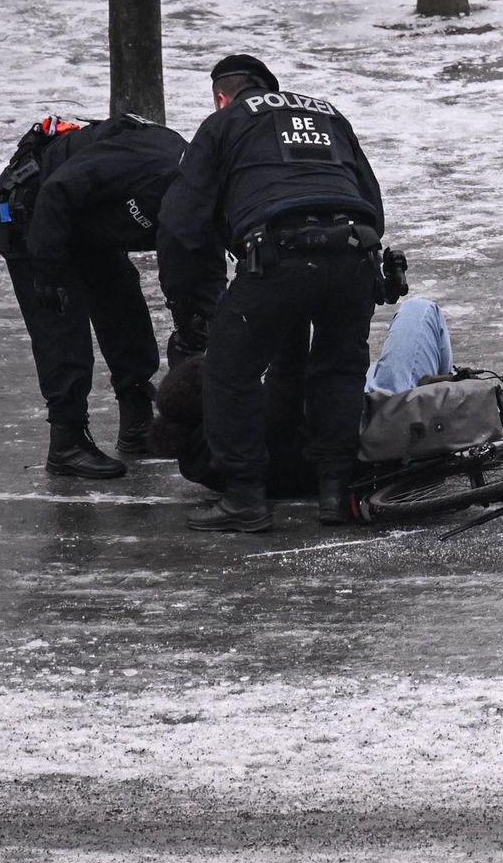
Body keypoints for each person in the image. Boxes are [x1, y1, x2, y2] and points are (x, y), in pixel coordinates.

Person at [156, 54, 385, 532]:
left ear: (223, 97)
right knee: (339, 369)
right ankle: (334, 491)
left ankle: (244, 498)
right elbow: (370, 197)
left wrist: (192, 303)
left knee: (228, 370)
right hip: (354, 252)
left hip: (280, 251)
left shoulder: (224, 123)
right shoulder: (328, 115)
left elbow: (181, 222)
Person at [0, 114, 187, 478]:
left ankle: (137, 424)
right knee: (61, 327)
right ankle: (67, 443)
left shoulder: (196, 189)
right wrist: (47, 273)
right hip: (32, 211)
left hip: (84, 222)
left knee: (123, 307)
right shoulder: (150, 164)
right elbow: (58, 189)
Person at [151, 297, 454, 502]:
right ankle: (442, 425)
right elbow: (291, 370)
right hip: (374, 423)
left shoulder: (201, 458)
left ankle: (437, 406)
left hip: (335, 437)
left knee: (369, 367)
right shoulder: (262, 422)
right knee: (420, 310)